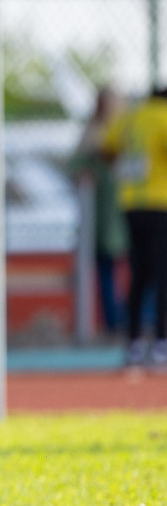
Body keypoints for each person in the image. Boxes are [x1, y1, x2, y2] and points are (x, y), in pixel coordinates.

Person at [102, 87, 167, 368]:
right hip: (161, 201)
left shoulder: (129, 117)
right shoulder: (163, 117)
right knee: (163, 272)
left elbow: (106, 149)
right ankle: (162, 341)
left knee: (139, 273)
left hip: (130, 202)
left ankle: (133, 342)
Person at [70, 88, 127, 337]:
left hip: (132, 211)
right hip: (102, 217)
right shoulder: (92, 134)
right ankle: (113, 321)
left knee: (145, 267)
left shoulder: (130, 129)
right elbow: (76, 165)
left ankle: (139, 320)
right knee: (105, 267)